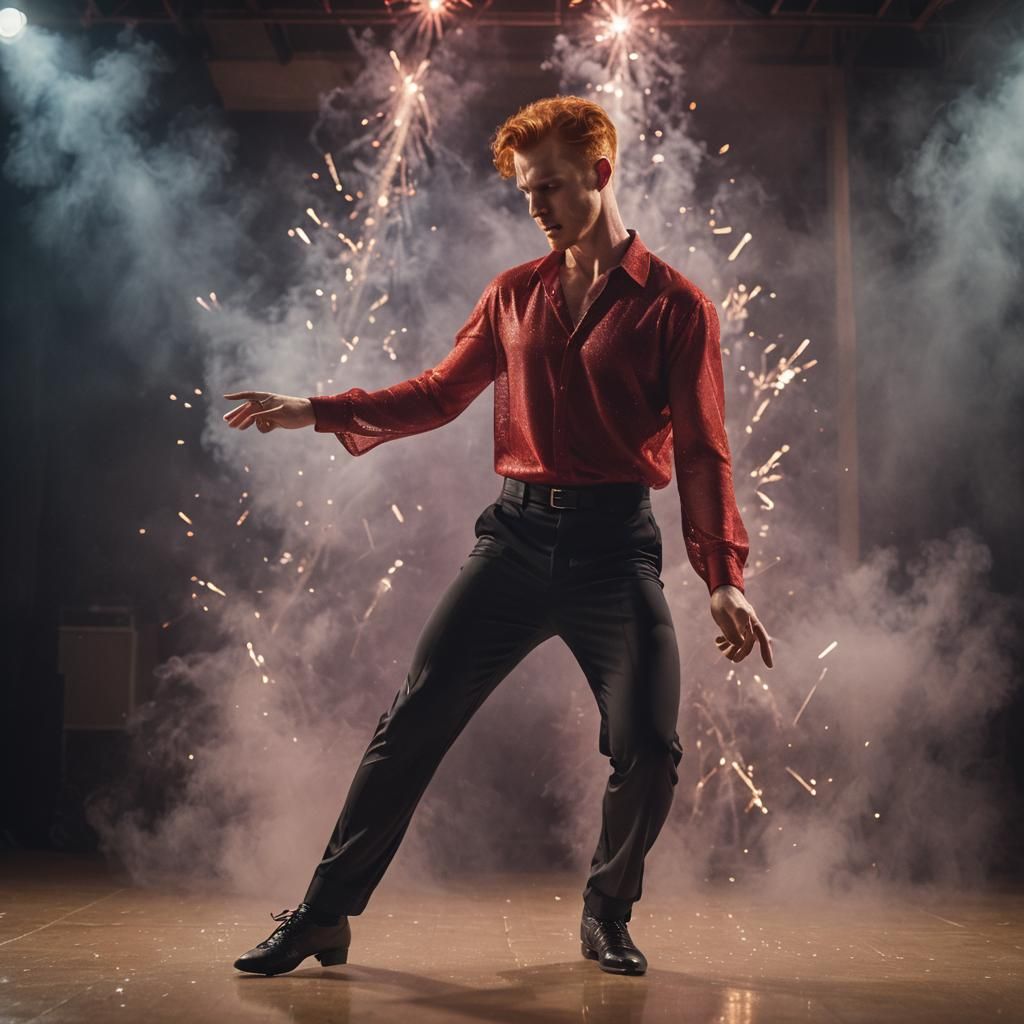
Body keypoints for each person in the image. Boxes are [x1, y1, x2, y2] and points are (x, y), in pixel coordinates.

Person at [223, 95, 773, 978]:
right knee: (409, 725)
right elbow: (439, 393)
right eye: (526, 194)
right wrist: (314, 411)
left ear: (600, 174)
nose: (536, 207)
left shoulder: (677, 307)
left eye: (550, 187)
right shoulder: (513, 295)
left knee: (650, 745)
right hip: (514, 542)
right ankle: (324, 914)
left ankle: (607, 912)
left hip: (613, 550)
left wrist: (723, 574)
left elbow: (706, 451)